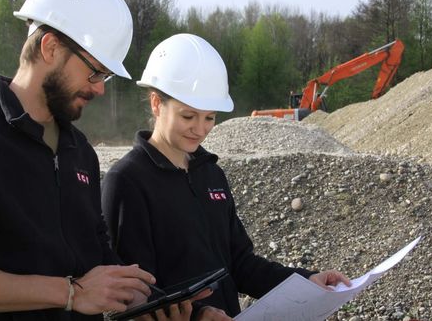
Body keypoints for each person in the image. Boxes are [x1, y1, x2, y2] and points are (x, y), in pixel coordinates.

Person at [0, 0, 176, 320]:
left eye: (105, 77)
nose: (100, 90)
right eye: (94, 73)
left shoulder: (80, 152)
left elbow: (96, 249)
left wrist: (153, 302)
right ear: (50, 47)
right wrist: (71, 292)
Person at [101, 33, 352, 320]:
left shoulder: (211, 174)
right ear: (157, 104)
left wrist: (306, 281)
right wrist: (198, 315)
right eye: (188, 116)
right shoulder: (127, 181)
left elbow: (240, 264)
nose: (200, 128)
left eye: (209, 117)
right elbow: (132, 294)